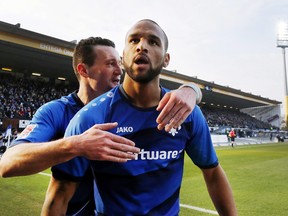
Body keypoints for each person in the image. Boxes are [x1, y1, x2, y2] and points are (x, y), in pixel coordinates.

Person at [48, 19, 237, 216]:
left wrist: (193, 89)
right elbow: (60, 194)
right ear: (123, 57)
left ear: (166, 58)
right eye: (134, 40)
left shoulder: (185, 113)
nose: (141, 47)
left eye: (153, 42)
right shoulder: (90, 118)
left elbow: (213, 172)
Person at [0, 36, 202, 215]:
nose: (119, 71)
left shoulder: (127, 111)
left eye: (119, 63)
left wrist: (192, 89)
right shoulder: (57, 112)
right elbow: (7, 163)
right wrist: (75, 145)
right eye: (110, 64)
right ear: (84, 70)